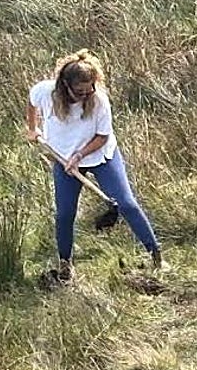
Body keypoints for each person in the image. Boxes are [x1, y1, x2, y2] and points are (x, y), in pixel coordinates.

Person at [25, 49, 161, 280]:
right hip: (63, 159)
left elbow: (102, 137)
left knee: (126, 204)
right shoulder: (45, 92)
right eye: (79, 92)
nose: (85, 96)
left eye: (89, 90)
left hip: (101, 156)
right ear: (64, 85)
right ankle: (66, 264)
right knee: (65, 213)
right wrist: (32, 128)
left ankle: (156, 255)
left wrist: (79, 156)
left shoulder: (99, 101)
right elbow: (31, 102)